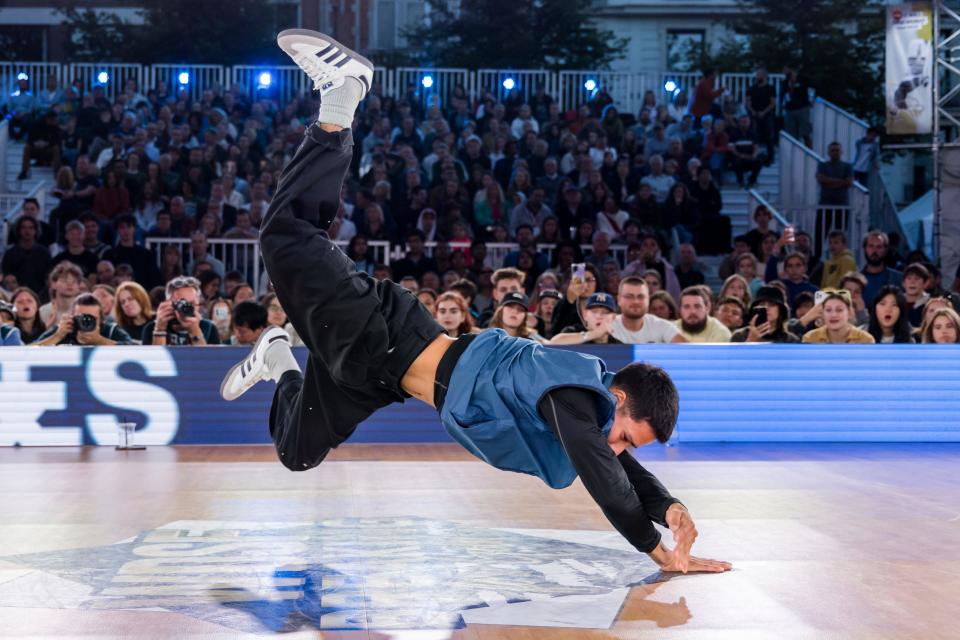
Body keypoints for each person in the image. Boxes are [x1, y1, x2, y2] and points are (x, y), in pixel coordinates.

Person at [220, 31, 729, 575]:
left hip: (379, 377)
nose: (618, 445)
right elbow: (606, 476)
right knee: (286, 235)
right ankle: (341, 99)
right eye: (624, 433)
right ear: (617, 396)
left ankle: (278, 359)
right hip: (385, 333)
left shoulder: (597, 414)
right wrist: (658, 551)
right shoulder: (575, 396)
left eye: (629, 443)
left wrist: (670, 508)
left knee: (297, 450)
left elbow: (621, 467)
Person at [142, 276, 221, 346]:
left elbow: (208, 360)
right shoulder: (152, 328)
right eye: (181, 302)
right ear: (167, 303)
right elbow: (156, 360)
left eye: (191, 303)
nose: (187, 307)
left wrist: (195, 332)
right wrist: (160, 330)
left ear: (198, 304)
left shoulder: (208, 327)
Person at [35, 293, 133, 346]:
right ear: (72, 316)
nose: (86, 321)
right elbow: (27, 352)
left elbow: (137, 351)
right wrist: (57, 336)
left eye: (93, 318)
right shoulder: (65, 329)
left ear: (102, 320)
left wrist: (101, 341)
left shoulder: (110, 330)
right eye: (81, 317)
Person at [611, 277, 687, 344]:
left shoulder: (660, 325)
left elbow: (687, 351)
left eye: (641, 297)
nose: (635, 301)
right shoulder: (609, 326)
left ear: (648, 300)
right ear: (619, 300)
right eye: (629, 296)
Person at [730, 286, 799, 343]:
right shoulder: (739, 336)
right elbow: (733, 359)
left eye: (772, 304)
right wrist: (750, 341)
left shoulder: (791, 340)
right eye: (762, 304)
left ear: (780, 310)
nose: (766, 308)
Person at [802, 290, 875, 344]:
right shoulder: (810, 338)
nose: (833, 315)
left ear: (849, 313)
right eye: (828, 310)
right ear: (822, 313)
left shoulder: (866, 340)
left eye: (839, 310)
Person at [549, 293, 621, 345]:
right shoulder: (573, 331)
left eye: (605, 312)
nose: (599, 316)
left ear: (613, 317)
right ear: (585, 315)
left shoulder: (617, 345)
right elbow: (554, 342)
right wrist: (595, 334)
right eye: (594, 311)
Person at [860, 230, 904, 305]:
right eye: (871, 246)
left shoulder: (899, 279)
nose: (875, 250)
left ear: (885, 250)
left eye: (879, 247)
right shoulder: (856, 280)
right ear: (865, 249)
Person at [39, 262, 83, 329]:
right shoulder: (43, 312)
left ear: (79, 286)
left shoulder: (85, 310)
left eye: (74, 281)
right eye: (64, 280)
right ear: (53, 284)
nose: (69, 284)